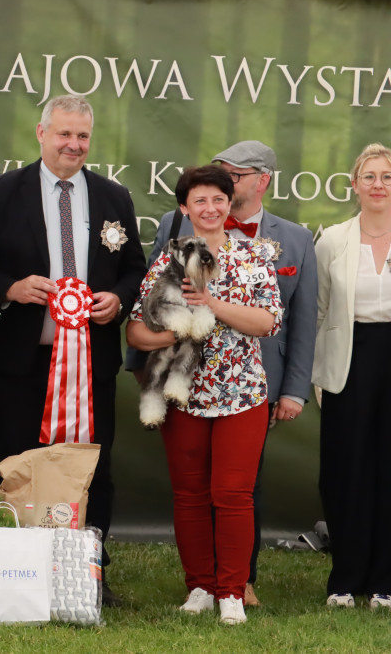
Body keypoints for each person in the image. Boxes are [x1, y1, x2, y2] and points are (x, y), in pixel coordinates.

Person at [0, 94, 146, 604]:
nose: (73, 144)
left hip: (91, 361)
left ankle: (91, 570)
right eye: (64, 134)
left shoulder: (114, 197)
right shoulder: (4, 191)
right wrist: (9, 287)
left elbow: (136, 267)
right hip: (23, 359)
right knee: (21, 462)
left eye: (83, 136)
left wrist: (119, 297)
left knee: (95, 467)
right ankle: (18, 571)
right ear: (41, 133)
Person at [131, 141, 318, 607]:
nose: (211, 207)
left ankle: (232, 591)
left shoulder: (254, 257)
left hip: (242, 391)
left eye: (219, 198)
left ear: (227, 203)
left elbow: (268, 321)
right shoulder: (168, 260)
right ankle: (199, 586)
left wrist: (210, 305)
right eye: (201, 200)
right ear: (185, 208)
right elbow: (137, 330)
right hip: (183, 391)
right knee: (190, 493)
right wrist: (175, 334)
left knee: (233, 494)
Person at [312, 142, 391, 610]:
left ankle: (385, 580)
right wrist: (319, 377)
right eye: (371, 176)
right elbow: (319, 311)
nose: (379, 185)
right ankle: (345, 577)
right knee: (346, 471)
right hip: (348, 363)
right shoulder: (334, 240)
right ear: (354, 185)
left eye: (387, 176)